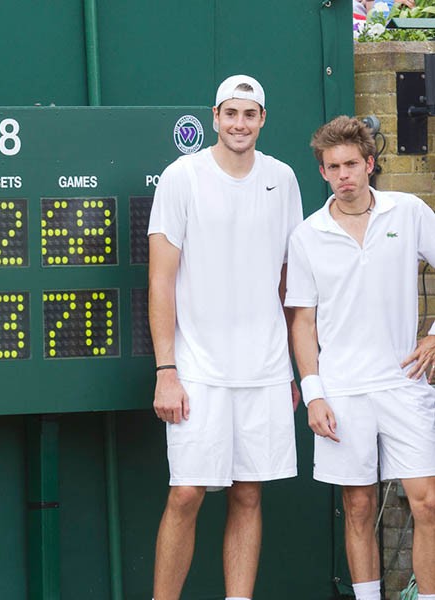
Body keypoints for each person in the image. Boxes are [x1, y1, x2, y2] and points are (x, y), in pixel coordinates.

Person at [147, 74, 302, 600]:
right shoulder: (181, 176)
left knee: (249, 496)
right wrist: (166, 370)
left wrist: (294, 371)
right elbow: (161, 279)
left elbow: (290, 280)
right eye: (230, 113)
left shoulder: (282, 179)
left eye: (250, 114)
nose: (240, 124)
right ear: (214, 117)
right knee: (187, 493)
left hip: (265, 369)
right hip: (196, 370)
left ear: (262, 120)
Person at [285, 115, 435, 600]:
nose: (344, 174)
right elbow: (302, 322)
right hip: (343, 391)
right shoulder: (307, 236)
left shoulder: (408, 211)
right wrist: (314, 395)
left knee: (427, 502)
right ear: (323, 173)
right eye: (334, 166)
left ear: (369, 164)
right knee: (357, 506)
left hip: (403, 384)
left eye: (352, 163)